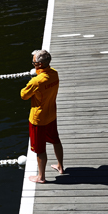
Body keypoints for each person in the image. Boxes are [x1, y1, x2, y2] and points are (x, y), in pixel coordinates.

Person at [20, 49, 64, 183]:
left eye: (33, 62)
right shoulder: (55, 74)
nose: (33, 64)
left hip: (38, 120)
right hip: (51, 114)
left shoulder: (36, 82)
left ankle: (41, 177)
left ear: (39, 65)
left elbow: (23, 95)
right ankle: (60, 167)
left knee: (40, 149)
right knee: (56, 140)